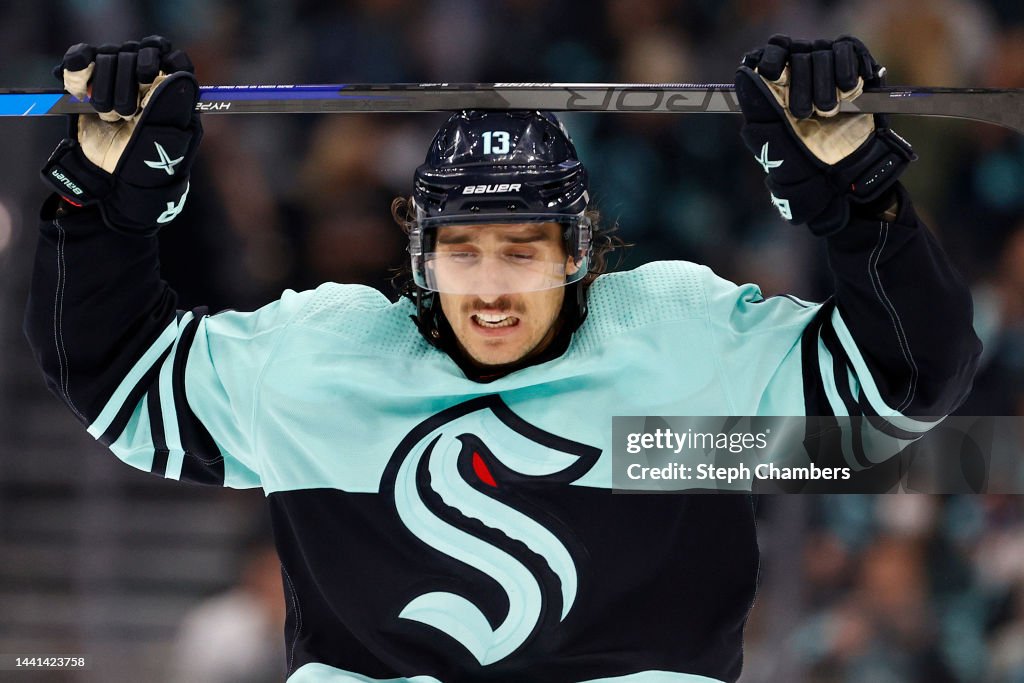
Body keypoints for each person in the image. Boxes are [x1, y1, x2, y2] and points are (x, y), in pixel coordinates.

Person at [25, 35, 979, 683]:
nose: (489, 287)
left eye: (522, 250)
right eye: (462, 250)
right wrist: (99, 205)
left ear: (580, 252)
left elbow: (907, 381)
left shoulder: (680, 351)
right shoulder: (321, 358)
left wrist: (858, 196)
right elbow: (113, 365)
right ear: (418, 256)